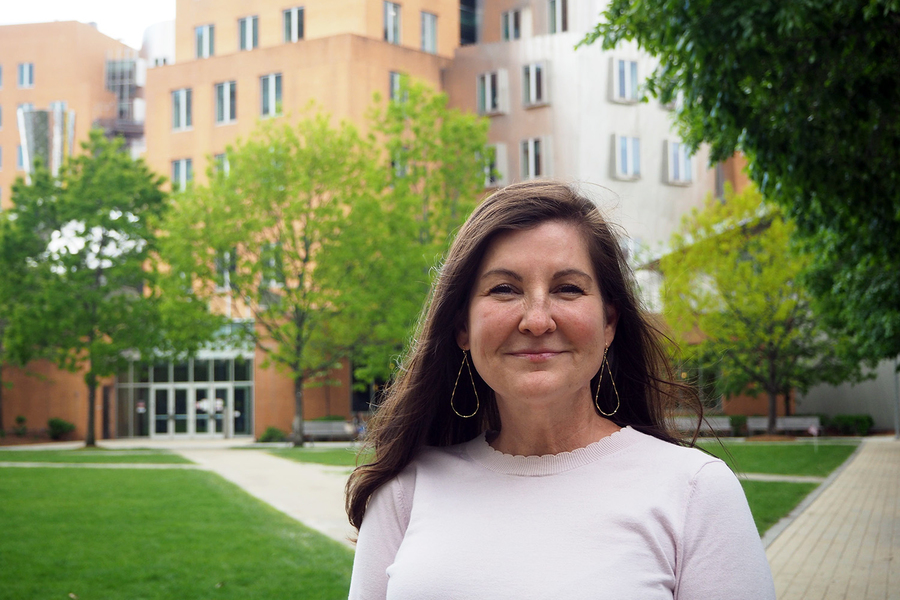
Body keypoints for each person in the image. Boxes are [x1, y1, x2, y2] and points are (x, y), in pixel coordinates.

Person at [345, 181, 775, 599]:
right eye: (504, 289)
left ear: (609, 323)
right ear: (462, 326)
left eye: (568, 289)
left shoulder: (695, 492)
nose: (536, 320)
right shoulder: (405, 492)